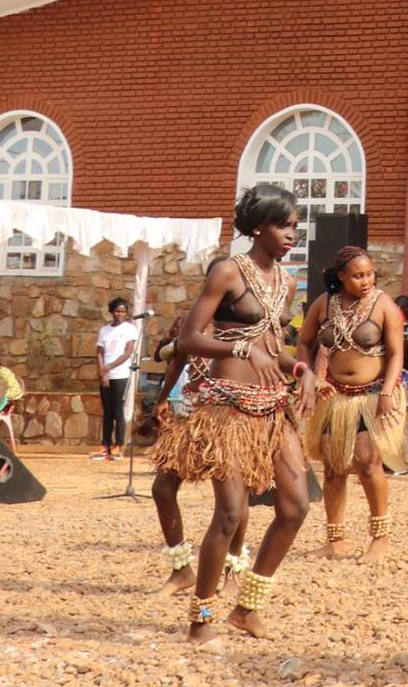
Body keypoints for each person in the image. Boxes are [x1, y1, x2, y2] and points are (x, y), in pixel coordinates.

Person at [148, 184, 316, 641]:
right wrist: (241, 345)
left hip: (271, 407)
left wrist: (301, 369)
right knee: (229, 512)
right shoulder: (227, 272)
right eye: (283, 225)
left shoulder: (287, 281)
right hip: (224, 406)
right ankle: (199, 619)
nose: (291, 235)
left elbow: (274, 350)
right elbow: (187, 340)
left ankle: (246, 608)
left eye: (294, 227)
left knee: (295, 507)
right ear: (259, 226)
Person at [298, 246, 405, 562]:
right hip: (334, 397)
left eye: (369, 273)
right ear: (342, 277)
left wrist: (387, 392)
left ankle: (380, 537)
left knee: (368, 462)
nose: (366, 280)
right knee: (332, 468)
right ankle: (335, 540)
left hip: (371, 395)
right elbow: (304, 343)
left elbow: (397, 353)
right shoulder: (324, 304)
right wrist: (309, 377)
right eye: (358, 275)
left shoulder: (383, 304)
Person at [135, 313, 251, 592]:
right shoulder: (193, 321)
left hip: (227, 420)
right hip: (188, 420)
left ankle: (232, 572)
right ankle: (181, 570)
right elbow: (177, 359)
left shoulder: (239, 325)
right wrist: (162, 400)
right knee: (162, 489)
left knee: (234, 501)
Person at [95, 297, 142, 462]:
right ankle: (105, 445)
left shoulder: (130, 329)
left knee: (117, 411)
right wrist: (102, 372)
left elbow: (128, 353)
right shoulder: (104, 330)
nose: (120, 314)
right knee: (107, 412)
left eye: (123, 311)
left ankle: (119, 446)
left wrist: (108, 368)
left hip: (120, 374)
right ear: (111, 312)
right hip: (105, 375)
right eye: (117, 311)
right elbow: (100, 352)